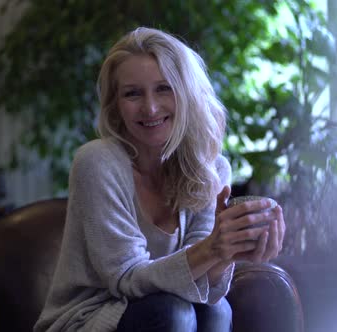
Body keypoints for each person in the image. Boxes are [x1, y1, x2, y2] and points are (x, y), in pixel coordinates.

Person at [34, 27, 286, 332]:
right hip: (91, 319)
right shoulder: (96, 161)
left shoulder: (212, 168)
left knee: (214, 310)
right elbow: (126, 278)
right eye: (132, 93)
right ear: (116, 105)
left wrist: (228, 250)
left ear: (187, 93)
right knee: (173, 312)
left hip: (170, 312)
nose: (150, 108)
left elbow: (202, 278)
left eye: (164, 88)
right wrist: (213, 249)